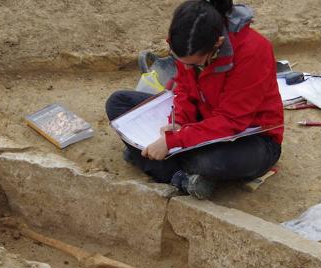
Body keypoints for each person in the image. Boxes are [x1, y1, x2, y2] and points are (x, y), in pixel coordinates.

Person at [105, 0, 283, 199]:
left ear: (217, 44)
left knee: (209, 162)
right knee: (118, 103)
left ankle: (153, 161)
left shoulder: (253, 51)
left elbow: (232, 120)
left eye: (194, 63)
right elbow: (184, 90)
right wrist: (179, 121)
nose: (186, 68)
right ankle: (177, 174)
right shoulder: (186, 40)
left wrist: (174, 140)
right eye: (181, 61)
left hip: (251, 136)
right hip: (203, 118)